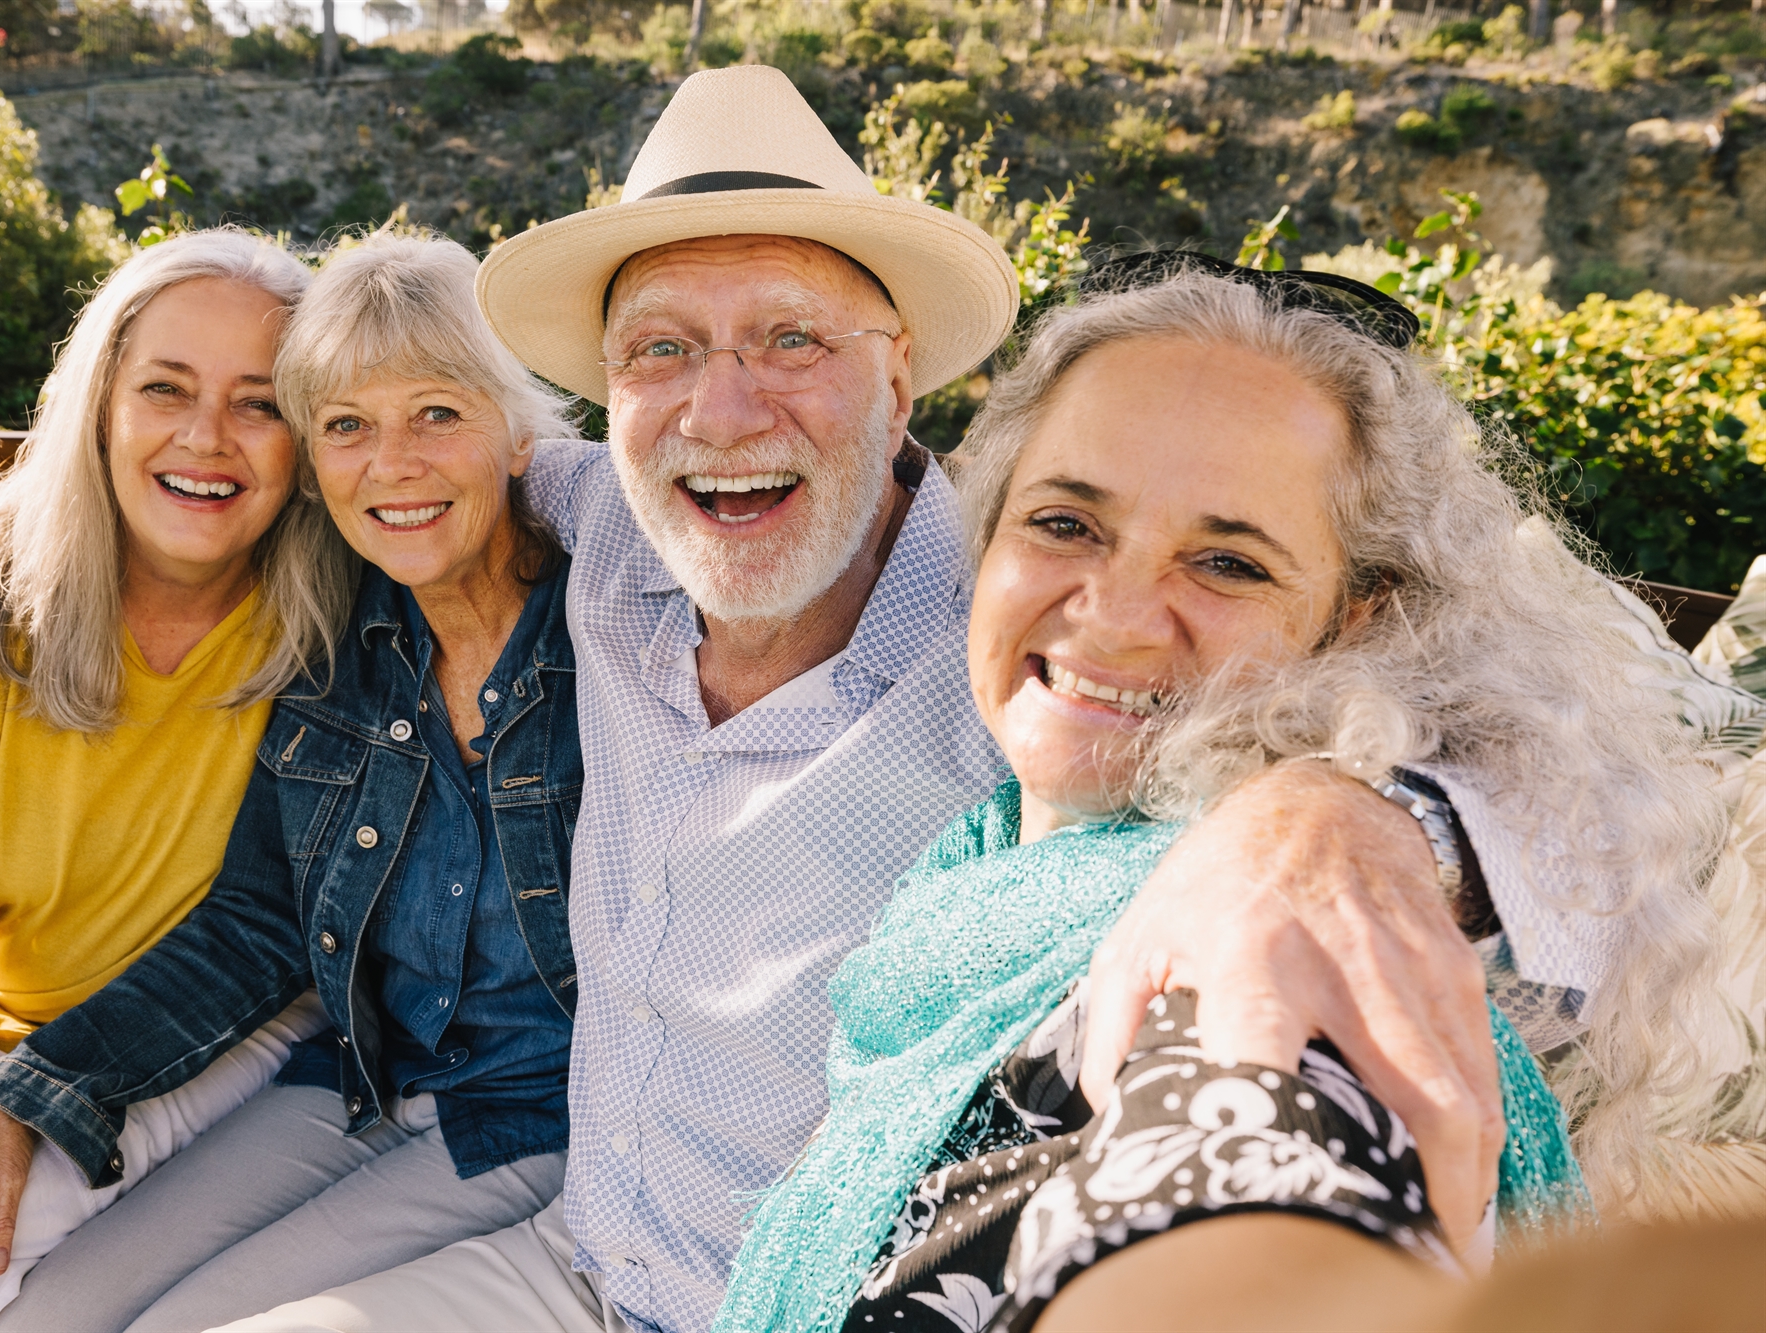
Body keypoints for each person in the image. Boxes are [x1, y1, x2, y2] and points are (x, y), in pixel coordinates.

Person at [221, 67, 1704, 1332]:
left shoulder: (1012, 629)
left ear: (901, 374)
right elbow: (417, 464)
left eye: (793, 339)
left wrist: (1339, 817)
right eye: (660, 348)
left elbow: (1561, 762)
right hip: (578, 1255)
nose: (721, 409)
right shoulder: (618, 522)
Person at [713, 258, 1723, 1332]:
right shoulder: (979, 860)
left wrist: (1352, 819)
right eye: (1063, 524)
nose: (1112, 619)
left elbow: (1259, 1181)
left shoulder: (1279, 945)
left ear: (1354, 623)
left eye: (1228, 564)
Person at [0, 232, 585, 1332]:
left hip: (534, 1110)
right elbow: (259, 922)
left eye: (438, 413)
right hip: (355, 1074)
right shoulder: (347, 636)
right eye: (347, 425)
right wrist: (19, 1101)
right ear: (315, 459)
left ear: (516, 436)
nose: (390, 464)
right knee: (46, 1318)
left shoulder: (613, 639)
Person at [0, 228, 352, 1333]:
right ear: (96, 402)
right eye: (163, 388)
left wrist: (16, 1111)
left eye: (260, 403)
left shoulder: (342, 611)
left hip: (231, 1026)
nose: (206, 438)